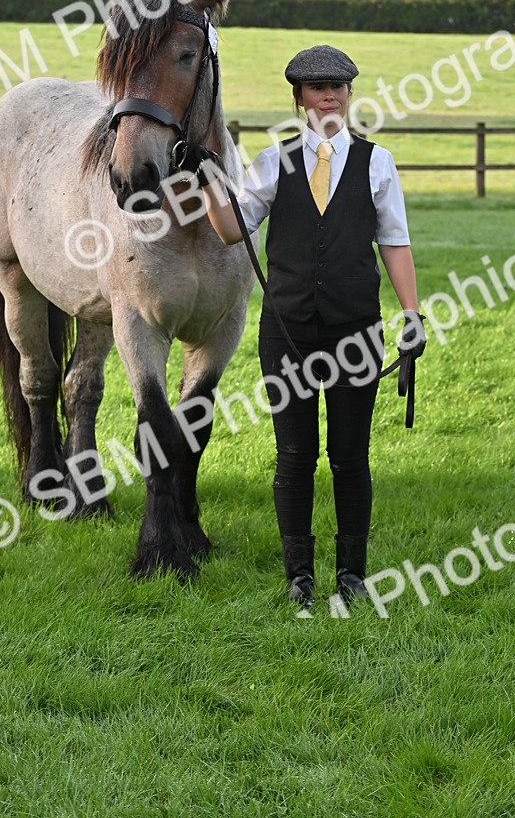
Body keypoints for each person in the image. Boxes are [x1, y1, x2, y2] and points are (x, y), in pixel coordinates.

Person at [189, 44, 425, 611]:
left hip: (356, 331)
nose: (330, 96)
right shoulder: (273, 163)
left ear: (349, 96)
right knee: (294, 455)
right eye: (318, 89)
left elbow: (394, 241)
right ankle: (299, 576)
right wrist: (204, 179)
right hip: (288, 332)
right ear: (299, 99)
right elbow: (231, 230)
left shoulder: (378, 162)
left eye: (339, 88)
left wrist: (412, 315)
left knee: (351, 455)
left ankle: (351, 574)